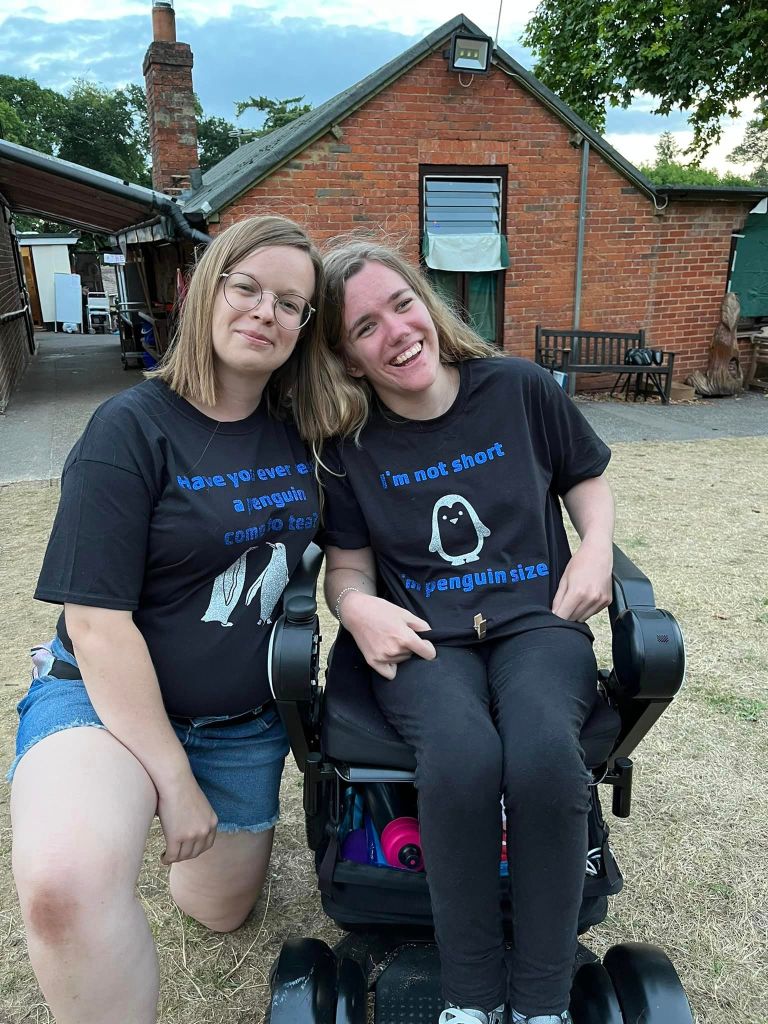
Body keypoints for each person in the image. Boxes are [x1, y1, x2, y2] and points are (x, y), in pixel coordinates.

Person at [8, 215, 323, 1024]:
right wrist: (173, 783)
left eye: (290, 303)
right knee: (65, 886)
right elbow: (98, 625)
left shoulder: (307, 432)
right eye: (246, 287)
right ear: (204, 289)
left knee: (218, 911)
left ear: (304, 326)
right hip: (100, 704)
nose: (265, 311)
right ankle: (118, 806)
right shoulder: (130, 427)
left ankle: (146, 820)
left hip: (241, 723)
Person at [295, 239, 615, 1024]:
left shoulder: (518, 388)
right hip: (423, 638)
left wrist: (597, 549)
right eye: (364, 327)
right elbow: (348, 569)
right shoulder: (349, 444)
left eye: (401, 304)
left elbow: (585, 477)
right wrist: (356, 607)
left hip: (538, 623)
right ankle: (470, 999)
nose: (396, 332)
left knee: (543, 754)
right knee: (463, 757)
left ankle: (540, 1002)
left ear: (427, 304)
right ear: (347, 358)